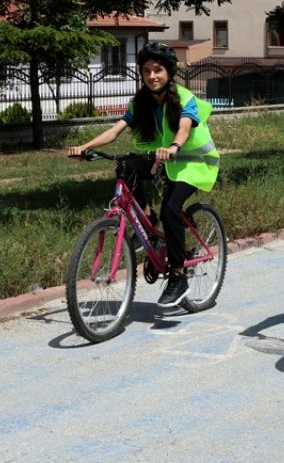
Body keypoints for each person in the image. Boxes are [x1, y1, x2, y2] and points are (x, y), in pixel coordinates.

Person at [68, 42, 220, 308]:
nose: (152, 76)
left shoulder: (185, 98)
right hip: (164, 159)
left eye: (158, 70)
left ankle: (178, 275)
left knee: (171, 209)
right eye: (147, 71)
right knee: (126, 168)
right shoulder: (140, 103)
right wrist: (85, 147)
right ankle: (145, 221)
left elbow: (184, 127)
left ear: (169, 72)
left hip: (194, 163)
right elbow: (114, 132)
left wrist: (174, 147)